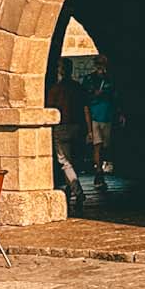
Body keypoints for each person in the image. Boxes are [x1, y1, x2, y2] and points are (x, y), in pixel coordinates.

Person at [47, 57, 90, 212]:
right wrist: (89, 130)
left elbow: (50, 109)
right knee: (74, 162)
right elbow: (86, 109)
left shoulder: (55, 89)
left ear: (60, 70)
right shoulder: (78, 88)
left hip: (61, 127)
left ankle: (78, 192)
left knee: (65, 163)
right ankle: (70, 190)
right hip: (77, 127)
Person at [86, 55, 117, 191]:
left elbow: (115, 96)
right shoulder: (89, 79)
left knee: (106, 146)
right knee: (97, 145)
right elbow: (85, 98)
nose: (100, 66)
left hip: (108, 116)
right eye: (98, 64)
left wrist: (119, 112)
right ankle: (98, 171)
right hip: (95, 116)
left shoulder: (110, 79)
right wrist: (95, 94)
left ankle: (102, 167)